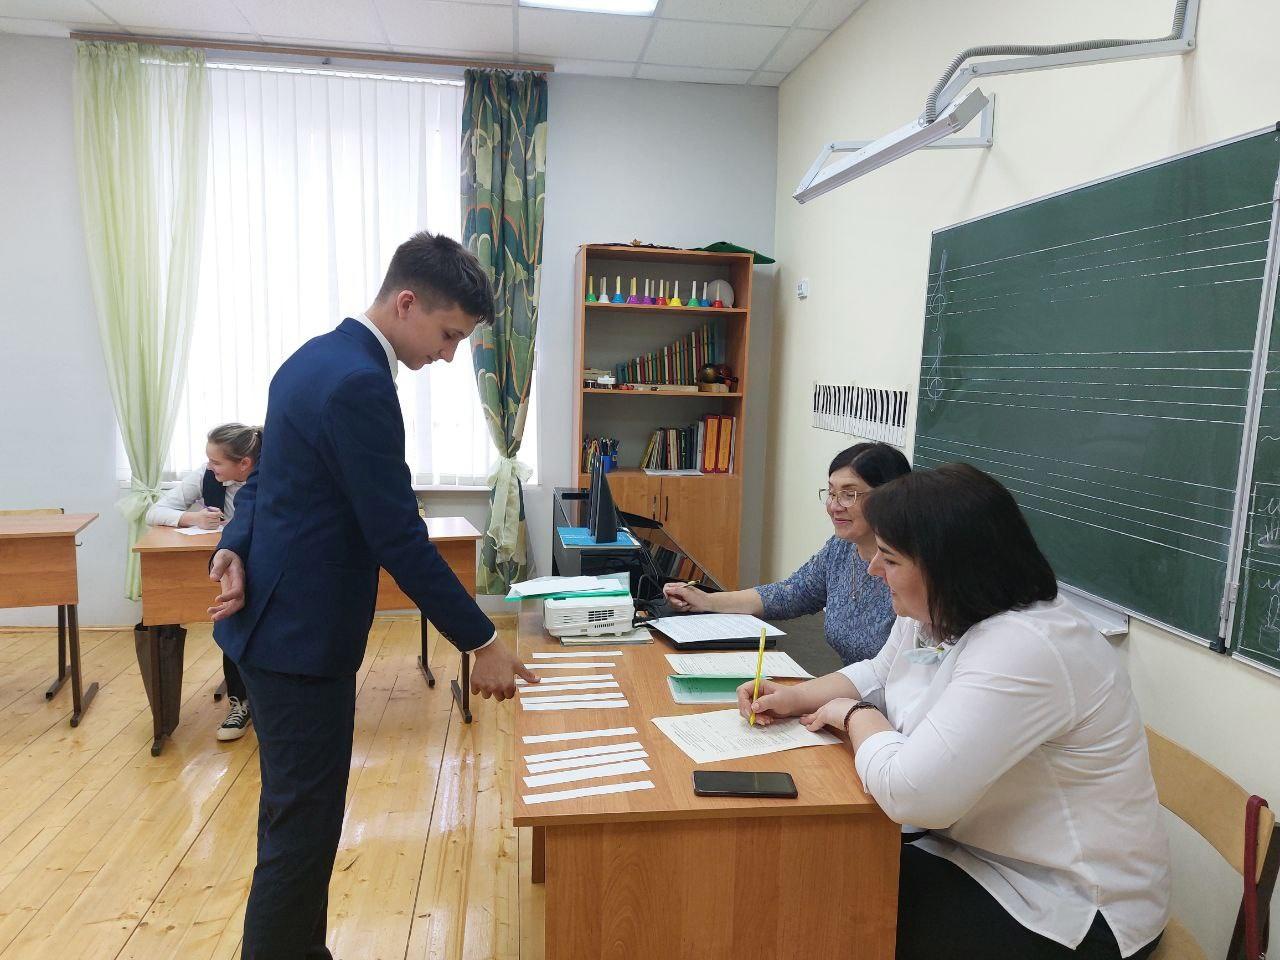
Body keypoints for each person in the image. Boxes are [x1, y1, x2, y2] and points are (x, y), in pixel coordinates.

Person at [207, 232, 537, 960]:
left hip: (274, 630)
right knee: (301, 837)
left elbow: (262, 485)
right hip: (300, 642)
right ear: (406, 302)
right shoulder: (359, 382)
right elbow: (397, 537)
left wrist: (232, 545)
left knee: (297, 823)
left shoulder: (311, 357)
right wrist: (482, 640)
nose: (447, 355)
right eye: (448, 336)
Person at [739, 463, 1169, 960]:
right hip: (972, 850)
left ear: (946, 567)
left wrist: (855, 715)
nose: (874, 570)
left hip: (1067, 904)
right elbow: (881, 671)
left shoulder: (1026, 645)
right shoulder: (937, 609)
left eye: (889, 558)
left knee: (821, 908)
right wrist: (796, 696)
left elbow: (911, 794)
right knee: (808, 870)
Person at [663, 442, 910, 664]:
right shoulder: (841, 549)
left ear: (888, 496)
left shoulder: (912, 569)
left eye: (849, 495)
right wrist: (706, 601)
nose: (834, 506)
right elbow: (791, 593)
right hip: (851, 691)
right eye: (832, 493)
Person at [146, 422, 261, 742]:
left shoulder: (274, 477)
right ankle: (240, 701)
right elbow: (155, 512)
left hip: (268, 566)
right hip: (228, 568)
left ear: (244, 464)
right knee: (231, 620)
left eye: (216, 461)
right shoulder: (206, 476)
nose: (210, 467)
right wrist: (192, 518)